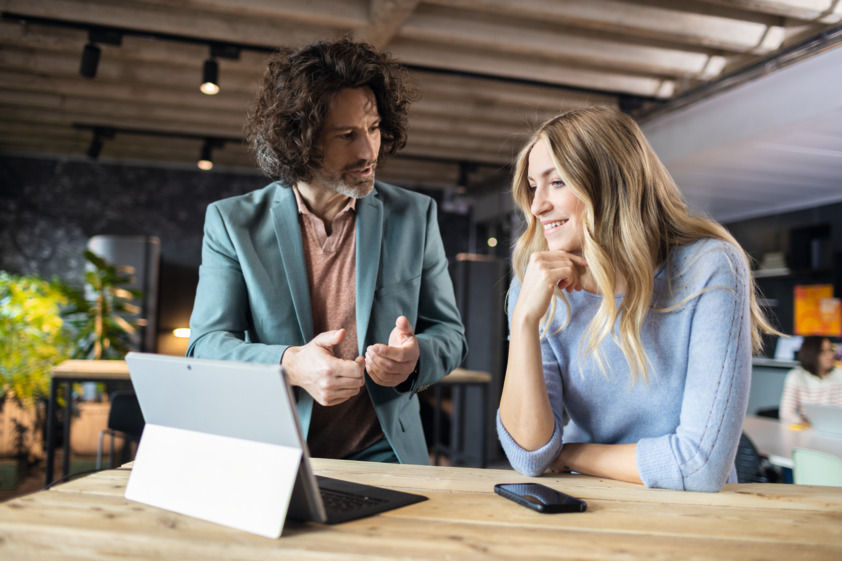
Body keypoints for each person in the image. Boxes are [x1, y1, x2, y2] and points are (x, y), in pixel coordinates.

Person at [187, 38, 467, 465]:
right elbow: (205, 345)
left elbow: (451, 335)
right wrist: (289, 364)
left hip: (386, 453)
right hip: (273, 450)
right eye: (347, 135)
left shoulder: (415, 215)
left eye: (373, 129)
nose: (368, 151)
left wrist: (414, 359)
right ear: (300, 140)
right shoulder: (233, 223)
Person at [497, 106, 777, 492]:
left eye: (557, 182)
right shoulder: (537, 286)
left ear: (609, 184)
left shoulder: (709, 268)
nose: (536, 205)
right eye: (533, 186)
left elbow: (699, 467)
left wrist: (569, 455)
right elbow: (529, 455)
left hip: (688, 517)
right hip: (586, 504)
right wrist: (525, 321)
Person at [779, 336, 842, 424]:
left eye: (830, 350)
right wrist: (802, 422)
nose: (830, 355)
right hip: (808, 428)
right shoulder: (796, 376)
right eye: (823, 352)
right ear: (811, 354)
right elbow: (786, 413)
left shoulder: (839, 374)